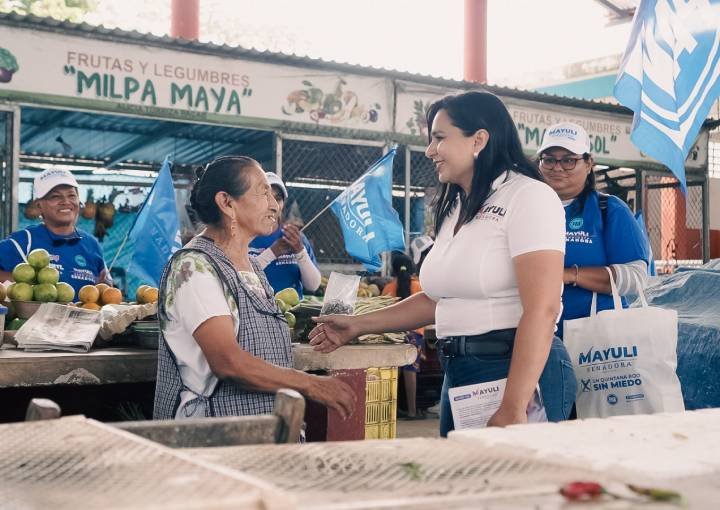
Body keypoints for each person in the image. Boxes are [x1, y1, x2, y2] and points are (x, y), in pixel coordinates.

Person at [310, 91, 576, 437]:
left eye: (439, 138)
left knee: (510, 486)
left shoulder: (529, 196)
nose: (429, 151)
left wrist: (514, 405)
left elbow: (542, 309)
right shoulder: (457, 207)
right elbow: (438, 300)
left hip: (514, 373)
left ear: (479, 139)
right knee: (462, 483)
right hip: (461, 373)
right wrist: (358, 325)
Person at [153, 155, 355, 421]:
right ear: (227, 203)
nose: (274, 206)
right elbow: (228, 362)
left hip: (263, 426)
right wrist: (310, 384)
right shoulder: (193, 267)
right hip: (214, 435)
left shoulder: (253, 268)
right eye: (263, 194)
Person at [536, 122, 651, 338]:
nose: (557, 167)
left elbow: (636, 278)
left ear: (589, 164)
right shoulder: (524, 208)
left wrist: (569, 275)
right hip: (532, 336)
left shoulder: (609, 209)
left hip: (597, 343)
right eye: (549, 160)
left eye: (569, 160)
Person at [0, 167, 110, 294]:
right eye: (55, 197)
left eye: (71, 195)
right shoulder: (24, 241)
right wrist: (25, 283)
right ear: (39, 205)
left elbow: (104, 285)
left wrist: (105, 287)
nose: (65, 201)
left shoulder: (92, 244)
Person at [249, 172, 321, 297]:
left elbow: (313, 285)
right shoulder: (246, 236)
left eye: (278, 198)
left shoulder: (294, 237)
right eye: (265, 196)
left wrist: (300, 251)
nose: (272, 204)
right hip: (257, 312)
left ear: (283, 203)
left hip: (292, 313)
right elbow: (240, 279)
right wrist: (271, 253)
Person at [382, 251, 425, 420]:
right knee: (410, 370)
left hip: (394, 335)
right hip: (415, 333)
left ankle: (390, 411)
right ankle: (412, 411)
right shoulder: (418, 286)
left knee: (394, 371)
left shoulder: (388, 288)